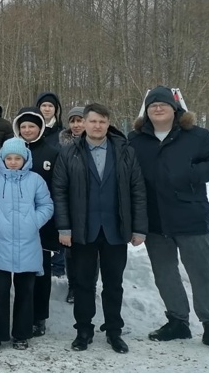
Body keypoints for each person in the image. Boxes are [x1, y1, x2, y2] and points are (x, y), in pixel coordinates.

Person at [129, 86, 209, 357]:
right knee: (165, 275)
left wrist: (190, 173)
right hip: (155, 222)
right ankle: (178, 321)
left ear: (174, 108)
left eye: (163, 104)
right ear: (147, 110)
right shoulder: (136, 140)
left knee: (201, 274)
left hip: (191, 218)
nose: (158, 108)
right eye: (152, 105)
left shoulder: (196, 136)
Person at [53, 103, 147, 355]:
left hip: (116, 230)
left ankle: (114, 330)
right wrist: (64, 227)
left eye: (102, 121)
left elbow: (137, 189)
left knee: (113, 284)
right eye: (92, 121)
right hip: (82, 230)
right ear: (83, 123)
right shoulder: (69, 152)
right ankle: (83, 330)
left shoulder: (124, 151)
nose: (97, 126)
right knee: (83, 284)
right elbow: (59, 192)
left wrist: (139, 228)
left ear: (108, 124)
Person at [0, 138, 54, 354]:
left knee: (25, 293)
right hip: (0, 244)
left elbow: (47, 205)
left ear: (25, 159)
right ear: (3, 159)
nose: (13, 162)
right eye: (9, 158)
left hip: (28, 245)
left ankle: (22, 334)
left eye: (17, 158)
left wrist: (34, 221)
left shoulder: (36, 180)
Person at [12, 107, 60, 338]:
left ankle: (39, 316)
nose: (28, 130)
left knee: (40, 271)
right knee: (20, 272)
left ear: (40, 128)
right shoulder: (12, 153)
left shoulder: (51, 153)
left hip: (42, 224)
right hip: (15, 225)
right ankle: (21, 313)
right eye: (24, 126)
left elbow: (58, 190)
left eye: (32, 126)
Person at [58, 105, 88, 301]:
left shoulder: (96, 143)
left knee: (91, 248)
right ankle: (73, 285)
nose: (76, 125)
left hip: (92, 202)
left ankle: (87, 285)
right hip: (70, 201)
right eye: (73, 121)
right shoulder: (63, 144)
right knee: (70, 249)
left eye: (80, 120)